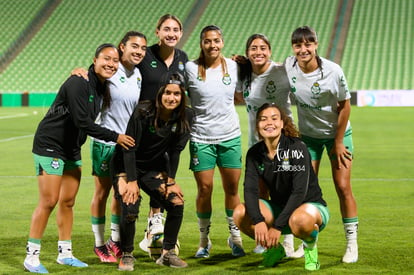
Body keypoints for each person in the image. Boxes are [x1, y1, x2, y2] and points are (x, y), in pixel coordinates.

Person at [24, 44, 135, 273]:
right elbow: (82, 123)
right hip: (50, 145)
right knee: (49, 200)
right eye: (106, 58)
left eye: (115, 61)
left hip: (71, 149)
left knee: (68, 201)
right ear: (94, 60)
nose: (111, 64)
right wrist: (117, 137)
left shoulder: (100, 86)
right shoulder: (79, 82)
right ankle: (31, 256)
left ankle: (65, 253)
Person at [284, 26, 358, 263]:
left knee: (343, 187)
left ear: (316, 45)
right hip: (309, 137)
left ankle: (351, 244)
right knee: (303, 190)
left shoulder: (333, 71)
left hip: (337, 134)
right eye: (298, 45)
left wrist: (338, 141)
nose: (303, 49)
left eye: (308, 44)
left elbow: (345, 105)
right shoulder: (289, 66)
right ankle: (308, 242)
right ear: (293, 48)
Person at [233, 103, 330, 271]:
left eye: (274, 118)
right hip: (281, 209)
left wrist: (277, 227)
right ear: (258, 125)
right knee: (240, 213)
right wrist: (258, 221)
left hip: (311, 209)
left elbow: (299, 191)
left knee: (298, 220)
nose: (269, 123)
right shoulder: (254, 153)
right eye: (263, 119)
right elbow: (250, 190)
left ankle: (310, 247)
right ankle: (275, 249)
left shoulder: (297, 148)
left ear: (282, 124)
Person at [111, 73, 193, 271]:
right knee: (130, 203)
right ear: (160, 94)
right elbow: (129, 148)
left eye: (176, 94)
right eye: (167, 93)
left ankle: (168, 253)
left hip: (153, 168)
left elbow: (175, 151)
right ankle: (127, 254)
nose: (171, 98)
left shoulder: (186, 116)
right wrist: (131, 181)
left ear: (182, 96)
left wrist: (171, 180)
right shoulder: (143, 111)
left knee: (176, 201)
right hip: (125, 164)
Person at [235, 33, 302, 257]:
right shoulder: (244, 75)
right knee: (261, 194)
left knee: (286, 193)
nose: (258, 52)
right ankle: (264, 239)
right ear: (247, 53)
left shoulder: (281, 71)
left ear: (270, 51)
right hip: (257, 145)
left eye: (263, 48)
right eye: (253, 48)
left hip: (285, 144)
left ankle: (289, 239)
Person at [185, 25, 245, 258]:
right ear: (201, 43)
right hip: (201, 137)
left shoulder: (234, 66)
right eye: (208, 41)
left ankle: (235, 236)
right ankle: (203, 241)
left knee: (232, 189)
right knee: (205, 189)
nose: (213, 45)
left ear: (222, 42)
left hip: (230, 136)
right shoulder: (190, 68)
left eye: (217, 40)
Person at [87, 31, 147, 262]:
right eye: (134, 46)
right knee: (101, 193)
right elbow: (90, 77)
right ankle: (99, 243)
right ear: (122, 47)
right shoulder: (111, 70)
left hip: (126, 145)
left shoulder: (138, 74)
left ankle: (115, 240)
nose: (139, 51)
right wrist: (80, 71)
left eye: (142, 48)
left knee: (119, 195)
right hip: (106, 143)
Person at [136, 14, 189, 252]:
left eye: (175, 30)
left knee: (166, 174)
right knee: (131, 182)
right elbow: (118, 64)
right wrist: (84, 70)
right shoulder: (144, 55)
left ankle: (155, 220)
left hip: (168, 129)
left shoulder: (182, 58)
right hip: (142, 127)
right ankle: (119, 237)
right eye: (166, 29)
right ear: (157, 31)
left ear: (180, 33)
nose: (171, 33)